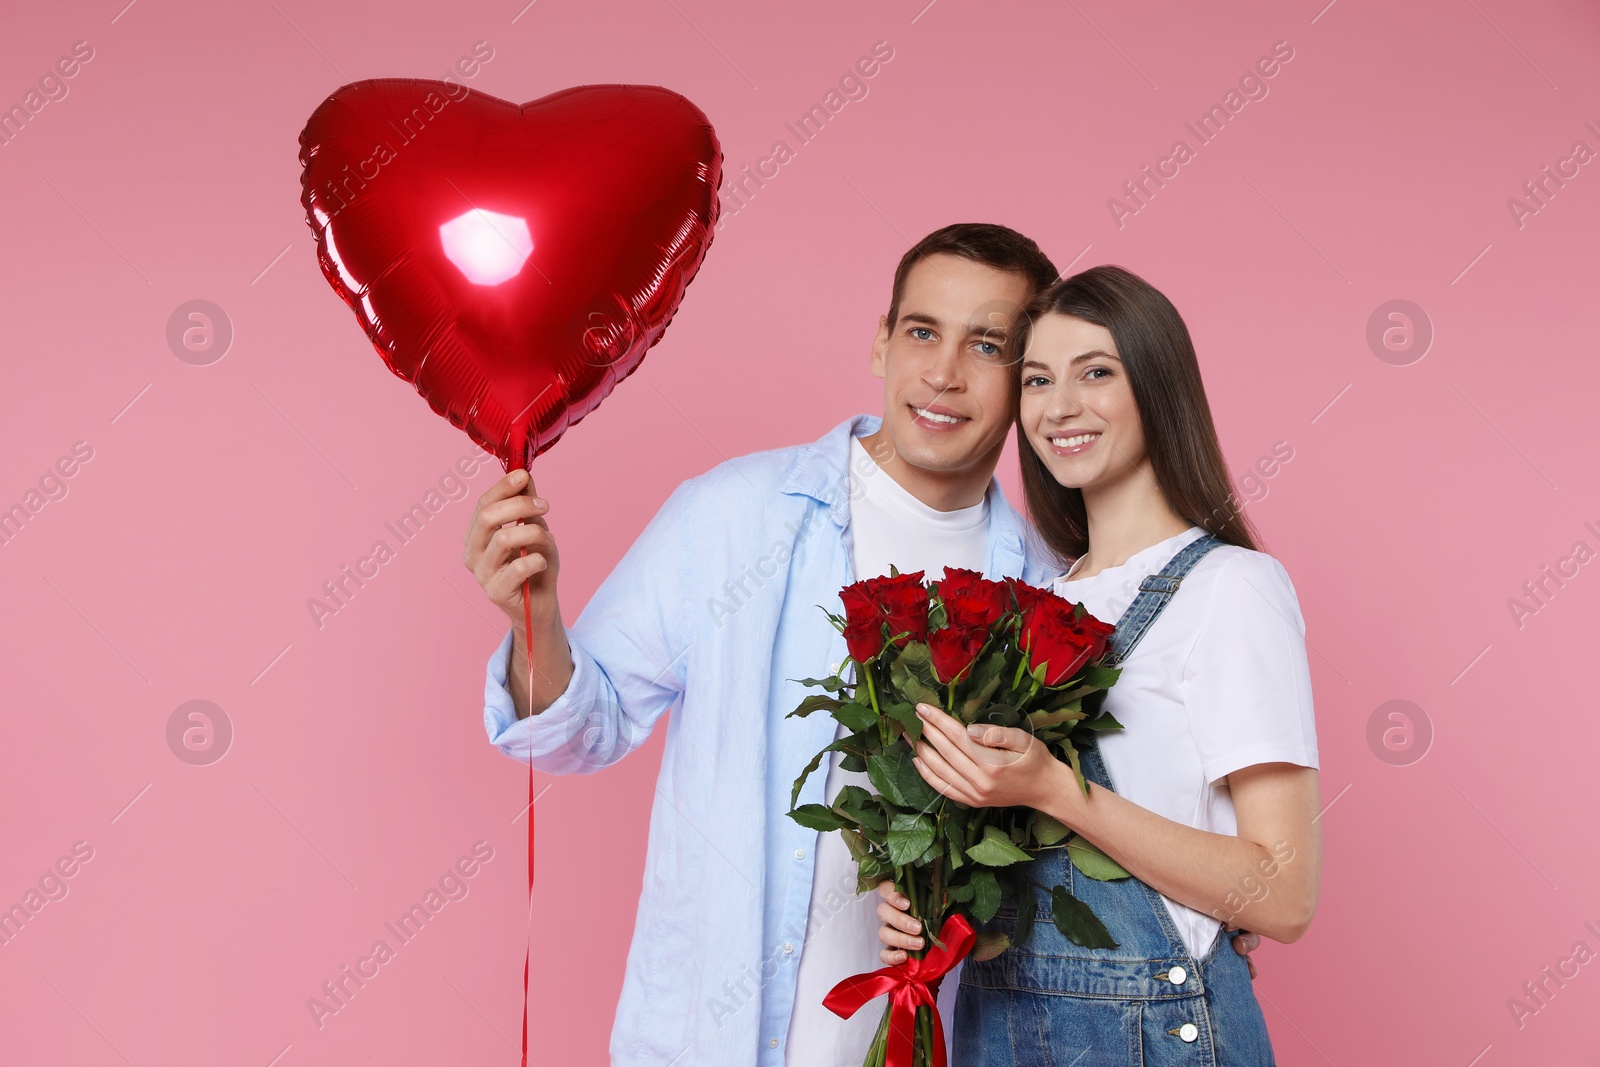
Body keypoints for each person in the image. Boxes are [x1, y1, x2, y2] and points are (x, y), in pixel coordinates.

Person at [465, 223, 1076, 1065]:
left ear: (1028, 380)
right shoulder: (734, 513)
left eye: (988, 346)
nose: (943, 372)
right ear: (882, 340)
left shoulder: (1049, 595)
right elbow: (583, 726)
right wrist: (534, 615)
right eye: (922, 331)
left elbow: (1060, 856)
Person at [874, 265, 1319, 1064]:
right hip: (1001, 1034)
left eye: (1097, 373)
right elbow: (1025, 883)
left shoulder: (1231, 589)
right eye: (1038, 379)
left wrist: (1055, 786)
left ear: (1157, 386)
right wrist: (934, 903)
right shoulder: (1030, 602)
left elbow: (1281, 894)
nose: (1060, 406)